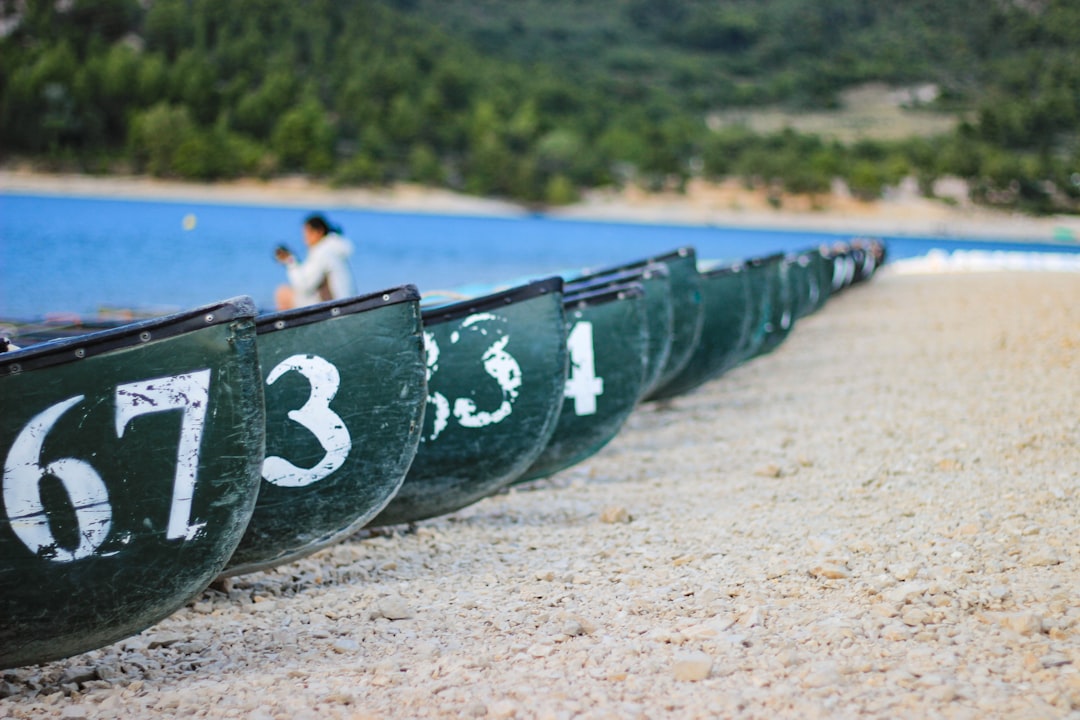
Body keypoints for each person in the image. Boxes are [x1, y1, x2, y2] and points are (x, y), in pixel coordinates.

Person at [274, 213, 356, 310]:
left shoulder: (323, 252)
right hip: (344, 303)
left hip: (336, 309)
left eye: (307, 234)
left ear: (319, 232)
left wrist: (290, 261)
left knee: (283, 293)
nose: (305, 240)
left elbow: (304, 287)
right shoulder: (334, 248)